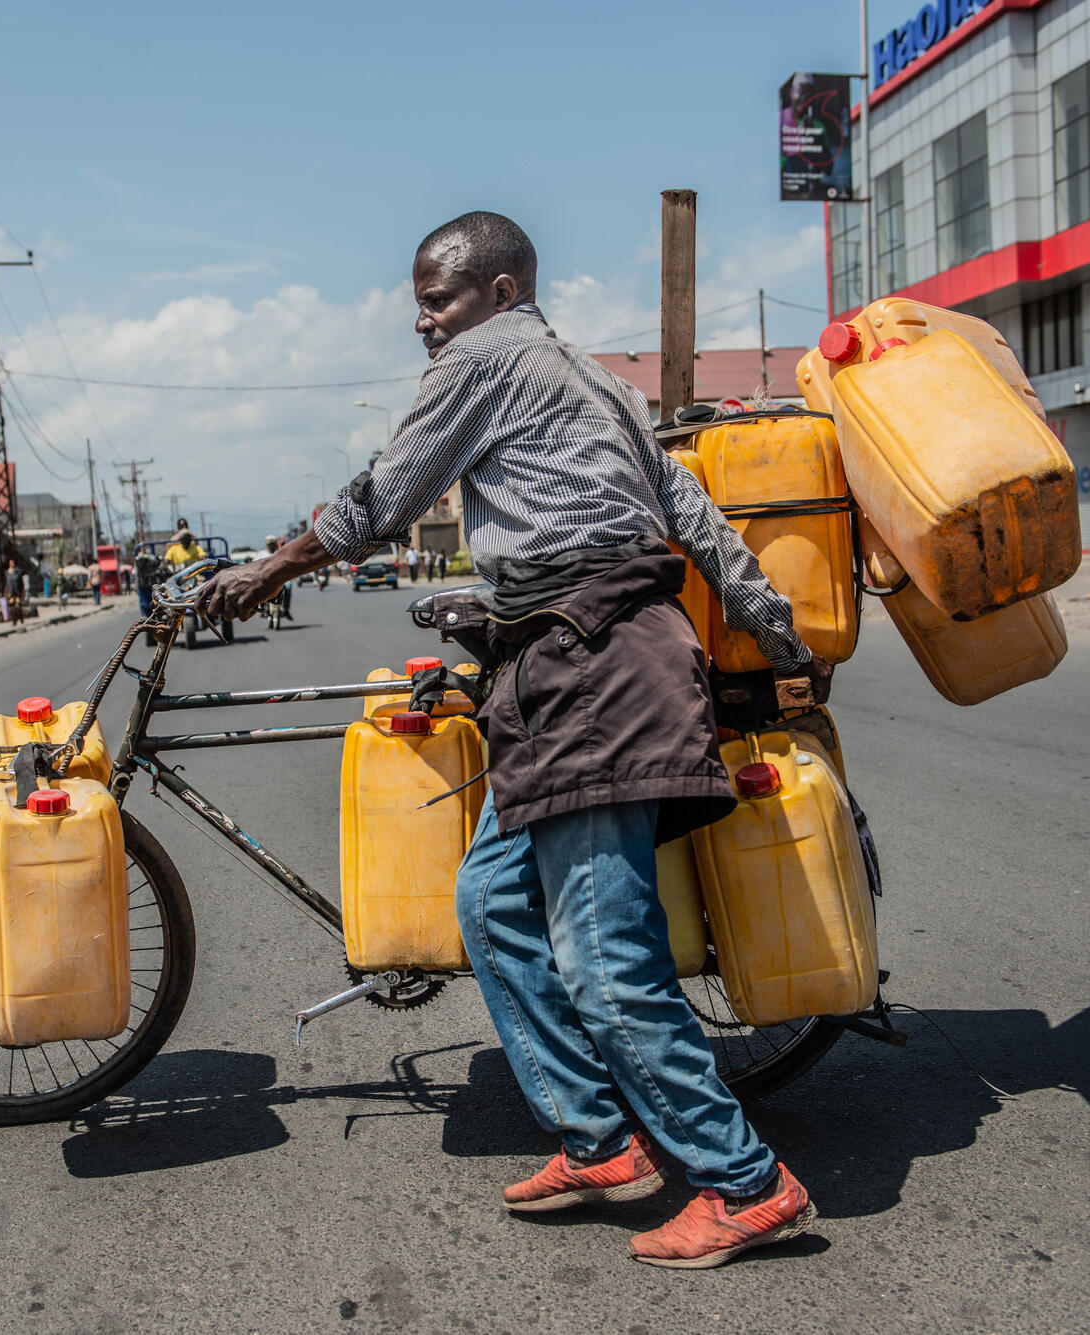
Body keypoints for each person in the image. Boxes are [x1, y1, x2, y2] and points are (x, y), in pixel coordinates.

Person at [201, 211, 832, 1270]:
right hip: (559, 672)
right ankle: (597, 1141)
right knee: (489, 901)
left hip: (593, 674)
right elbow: (693, 514)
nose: (422, 323)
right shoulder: (594, 383)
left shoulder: (485, 362)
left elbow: (383, 497)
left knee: (602, 961)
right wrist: (779, 634)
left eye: (436, 299)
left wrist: (264, 571)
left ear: (499, 293)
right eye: (418, 304)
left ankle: (744, 1183)